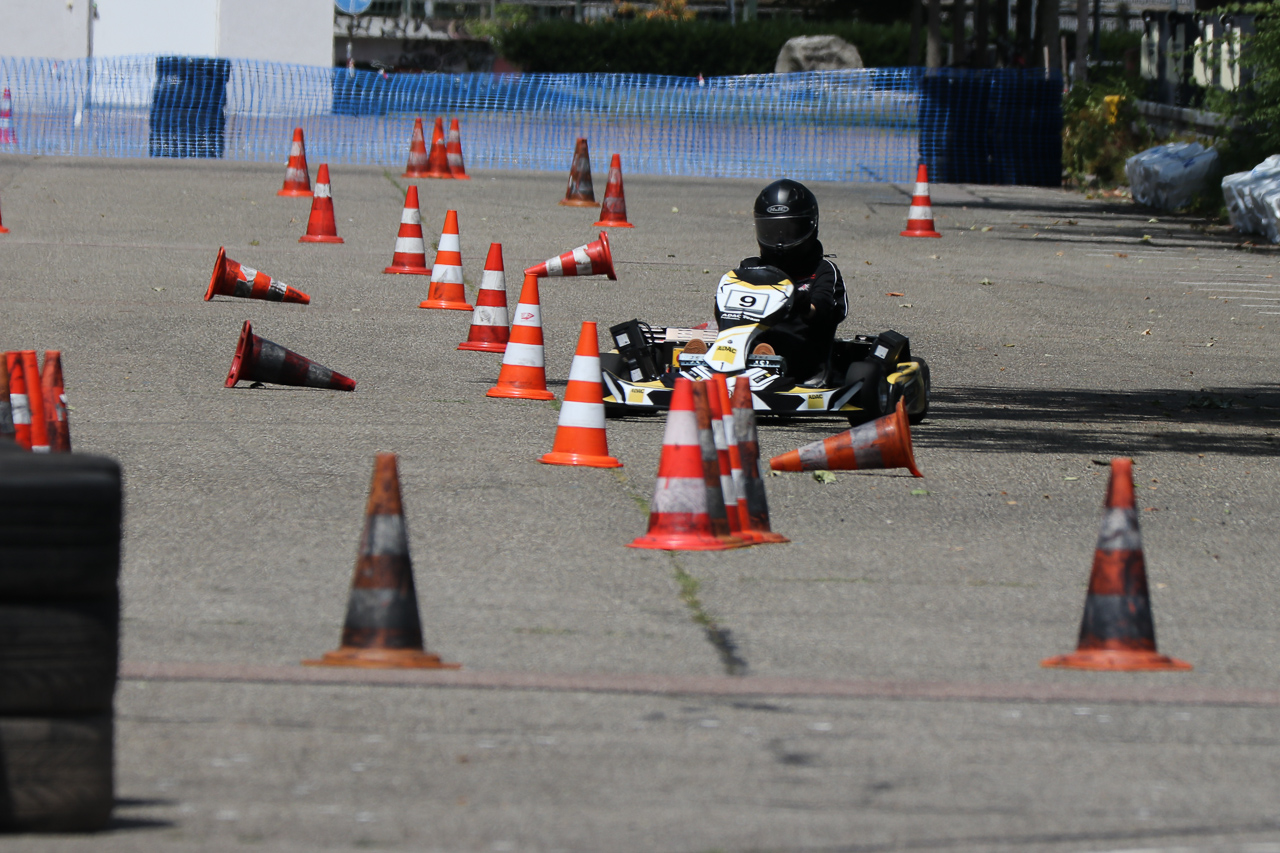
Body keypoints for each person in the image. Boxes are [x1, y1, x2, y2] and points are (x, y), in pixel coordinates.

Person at [736, 178, 848, 384]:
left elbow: (825, 309)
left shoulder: (822, 270)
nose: (779, 240)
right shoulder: (751, 268)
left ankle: (763, 363)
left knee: (777, 344)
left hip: (802, 359)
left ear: (809, 226)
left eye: (789, 232)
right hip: (749, 346)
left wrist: (797, 301)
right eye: (771, 231)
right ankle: (713, 360)